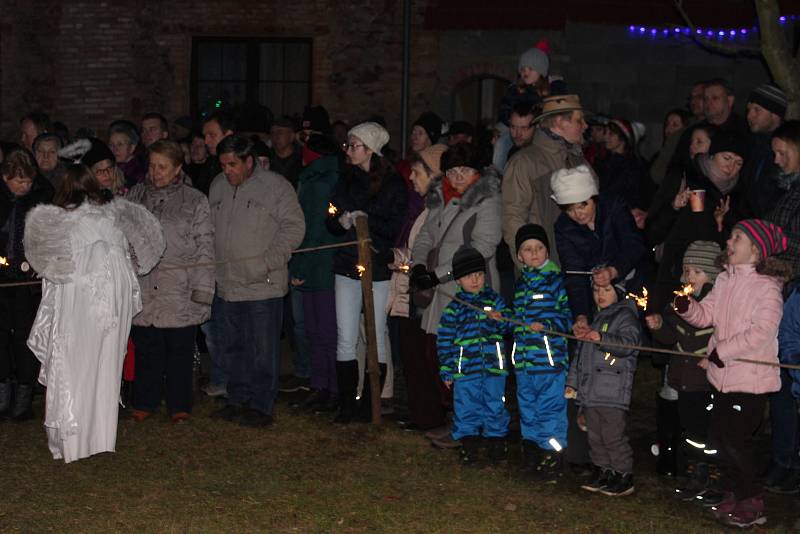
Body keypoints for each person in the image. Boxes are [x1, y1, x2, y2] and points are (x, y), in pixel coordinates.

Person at [24, 163, 165, 463]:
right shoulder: (110, 217)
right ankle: (99, 437)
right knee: (103, 367)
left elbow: (52, 264)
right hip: (111, 304)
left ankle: (74, 440)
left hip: (79, 303)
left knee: (75, 368)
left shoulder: (66, 219)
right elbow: (127, 266)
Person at [675, 219, 791, 527]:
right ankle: (733, 492)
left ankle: (752, 500)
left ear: (756, 249)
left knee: (737, 442)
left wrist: (720, 352)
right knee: (719, 438)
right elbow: (707, 316)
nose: (730, 241)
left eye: (737, 238)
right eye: (731, 236)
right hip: (721, 378)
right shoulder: (725, 280)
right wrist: (688, 308)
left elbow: (761, 333)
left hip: (750, 382)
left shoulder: (767, 288)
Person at [207, 134, 305, 427]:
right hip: (227, 284)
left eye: (232, 164)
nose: (227, 170)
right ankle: (237, 398)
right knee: (233, 346)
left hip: (263, 285)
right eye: (223, 164)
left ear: (249, 162)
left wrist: (268, 262)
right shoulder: (217, 187)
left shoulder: (275, 188)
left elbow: (294, 227)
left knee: (262, 348)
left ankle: (261, 405)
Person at [125, 140, 214, 423]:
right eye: (152, 165)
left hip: (179, 287)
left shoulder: (195, 200)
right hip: (144, 286)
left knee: (179, 350)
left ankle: (179, 404)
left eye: (163, 166)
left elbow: (205, 247)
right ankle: (145, 400)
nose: (156, 172)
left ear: (177, 168)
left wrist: (202, 289)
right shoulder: (136, 197)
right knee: (147, 348)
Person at [326, 122, 407, 424]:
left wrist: (367, 221)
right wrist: (341, 221)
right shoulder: (344, 180)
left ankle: (372, 401)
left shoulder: (392, 183)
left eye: (354, 145)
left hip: (376, 265)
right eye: (347, 145)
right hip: (347, 263)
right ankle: (348, 404)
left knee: (375, 334)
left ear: (371, 149)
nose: (348, 150)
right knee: (346, 335)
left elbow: (392, 225)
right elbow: (330, 214)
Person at [645, 241, 721, 494]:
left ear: (711, 274)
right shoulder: (680, 300)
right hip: (683, 377)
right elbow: (670, 337)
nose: (690, 276)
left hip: (705, 378)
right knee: (689, 427)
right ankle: (694, 470)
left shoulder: (717, 303)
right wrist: (658, 327)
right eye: (687, 270)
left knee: (705, 428)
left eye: (697, 271)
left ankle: (710, 472)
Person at [387, 144, 449, 431]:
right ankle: (422, 414)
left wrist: (412, 266)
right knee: (413, 352)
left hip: (430, 292)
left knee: (429, 355)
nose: (411, 178)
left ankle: (435, 416)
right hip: (416, 288)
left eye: (417, 172)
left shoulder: (439, 209)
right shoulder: (421, 208)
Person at [436, 246, 509, 465]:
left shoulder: (495, 301)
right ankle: (470, 447)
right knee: (466, 407)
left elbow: (509, 328)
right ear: (458, 280)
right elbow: (445, 340)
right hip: (465, 370)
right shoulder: (454, 309)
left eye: (478, 274)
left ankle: (496, 446)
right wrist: (447, 369)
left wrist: (500, 320)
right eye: (468, 276)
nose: (475, 280)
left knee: (495, 405)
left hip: (494, 368)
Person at [567, 283, 641, 497]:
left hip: (612, 391)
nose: (601, 295)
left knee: (612, 436)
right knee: (595, 436)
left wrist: (602, 338)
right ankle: (603, 471)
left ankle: (623, 474)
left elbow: (629, 344)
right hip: (591, 392)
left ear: (618, 292)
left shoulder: (625, 316)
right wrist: (573, 384)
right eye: (596, 290)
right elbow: (580, 358)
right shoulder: (594, 320)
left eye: (606, 290)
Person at [551, 165, 646, 331]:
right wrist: (581, 315)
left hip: (632, 284)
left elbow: (634, 244)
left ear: (593, 197)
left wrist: (613, 271)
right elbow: (574, 273)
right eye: (570, 210)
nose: (578, 214)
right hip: (596, 296)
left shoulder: (613, 206)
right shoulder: (564, 226)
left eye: (583, 206)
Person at [511, 224, 571, 480]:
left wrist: (548, 326)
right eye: (528, 249)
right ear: (519, 256)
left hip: (549, 361)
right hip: (524, 362)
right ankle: (532, 454)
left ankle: (553, 457)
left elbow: (568, 318)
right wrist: (503, 318)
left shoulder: (556, 281)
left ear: (547, 251)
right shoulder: (521, 284)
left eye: (539, 248)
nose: (534, 253)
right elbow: (515, 319)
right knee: (528, 407)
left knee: (550, 408)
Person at [502, 94, 590, 266]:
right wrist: (533, 269)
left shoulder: (579, 160)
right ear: (559, 122)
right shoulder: (524, 163)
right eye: (579, 121)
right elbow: (513, 219)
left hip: (579, 269)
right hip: (545, 273)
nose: (585, 126)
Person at [289, 133, 342, 412]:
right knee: (315, 329)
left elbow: (311, 231)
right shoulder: (316, 179)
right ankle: (320, 385)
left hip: (320, 266)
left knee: (324, 330)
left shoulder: (318, 184)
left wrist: (299, 266)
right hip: (319, 265)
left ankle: (331, 387)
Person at [0, 149, 54, 420]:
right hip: (1, 279)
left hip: (27, 282)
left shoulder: (42, 199)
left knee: (24, 336)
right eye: (17, 181)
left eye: (27, 181)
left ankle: (23, 395)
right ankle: (2, 392)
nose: (23, 186)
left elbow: (49, 238)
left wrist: (36, 264)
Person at [493, 40, 559, 170]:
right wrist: (503, 126)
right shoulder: (515, 90)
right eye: (523, 69)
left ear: (541, 71)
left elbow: (555, 111)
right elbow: (505, 108)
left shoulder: (552, 90)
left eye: (531, 69)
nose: (525, 72)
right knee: (500, 144)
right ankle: (497, 174)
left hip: (541, 129)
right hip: (514, 128)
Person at [740, 84, 787, 218]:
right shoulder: (750, 143)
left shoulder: (790, 149)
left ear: (775, 115)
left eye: (757, 110)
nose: (749, 116)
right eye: (749, 110)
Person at [764, 120, 800, 279]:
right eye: (775, 154)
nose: (776, 160)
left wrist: (771, 235)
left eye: (782, 153)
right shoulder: (783, 186)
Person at [595, 118, 654, 211]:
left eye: (611, 134)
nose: (605, 137)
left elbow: (641, 196)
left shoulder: (636, 166)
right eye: (605, 133)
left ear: (623, 138)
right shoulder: (602, 161)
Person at [108, 120, 147, 188]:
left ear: (132, 148)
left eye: (120, 144)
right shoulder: (108, 168)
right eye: (111, 145)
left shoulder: (139, 173)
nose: (114, 149)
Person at [269, 116, 303, 189]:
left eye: (280, 132)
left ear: (292, 136)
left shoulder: (303, 160)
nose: (276, 136)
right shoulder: (265, 160)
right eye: (272, 133)